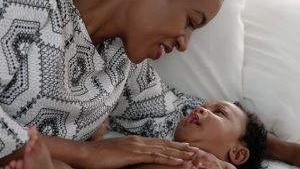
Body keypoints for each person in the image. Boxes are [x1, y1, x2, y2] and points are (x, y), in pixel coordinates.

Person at [0, 0, 300, 168]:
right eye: (191, 21)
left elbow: (181, 118)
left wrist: (284, 151)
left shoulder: (123, 64)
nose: (184, 43)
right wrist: (85, 153)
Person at [3, 100, 267, 169]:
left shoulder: (210, 164)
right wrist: (95, 141)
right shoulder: (156, 147)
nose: (200, 108)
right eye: (203, 106)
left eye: (219, 113)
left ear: (238, 153)